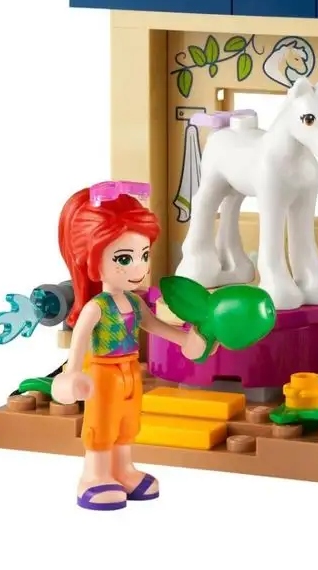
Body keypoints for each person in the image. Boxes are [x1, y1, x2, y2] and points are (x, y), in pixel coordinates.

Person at [52, 185, 205, 509]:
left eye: (144, 255)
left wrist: (185, 340)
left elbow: (154, 325)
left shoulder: (135, 303)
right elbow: (78, 344)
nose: (139, 267)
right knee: (101, 424)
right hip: (103, 375)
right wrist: (71, 374)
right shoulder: (96, 308)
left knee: (127, 423)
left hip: (131, 371)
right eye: (124, 258)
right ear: (92, 260)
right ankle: (93, 476)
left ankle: (123, 470)